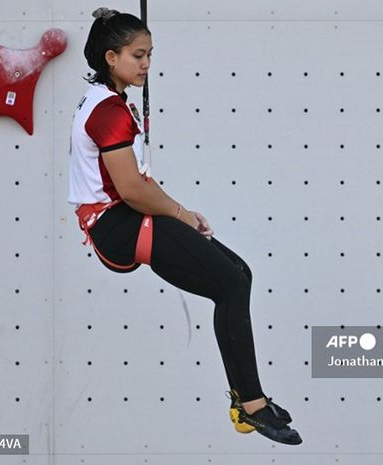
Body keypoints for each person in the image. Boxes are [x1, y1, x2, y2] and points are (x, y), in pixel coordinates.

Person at [66, 7, 302, 445]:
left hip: (124, 215)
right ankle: (251, 404)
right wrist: (181, 213)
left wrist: (182, 212)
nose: (147, 64)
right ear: (111, 56)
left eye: (151, 55)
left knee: (239, 276)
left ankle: (246, 399)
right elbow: (133, 191)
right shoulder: (108, 111)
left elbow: (135, 185)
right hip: (115, 223)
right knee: (230, 283)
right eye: (138, 55)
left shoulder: (109, 100)